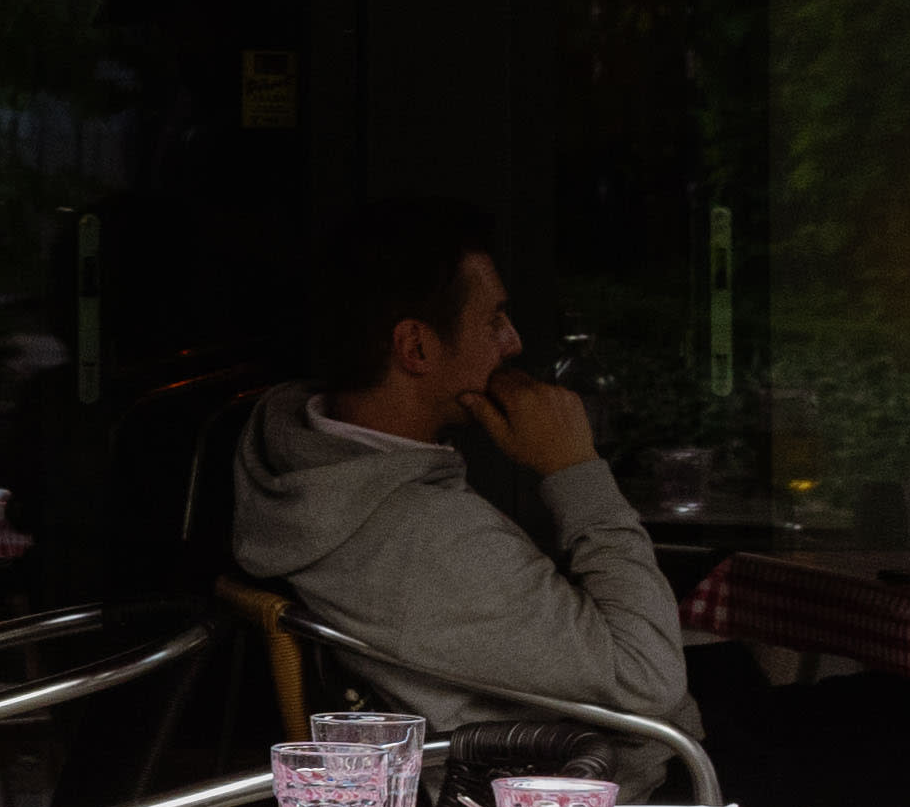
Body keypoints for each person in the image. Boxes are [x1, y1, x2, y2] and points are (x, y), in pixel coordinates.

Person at [224, 197, 699, 757]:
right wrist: (576, 472)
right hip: (590, 797)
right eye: (494, 318)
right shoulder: (426, 537)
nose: (513, 342)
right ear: (417, 347)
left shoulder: (298, 454)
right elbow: (648, 678)